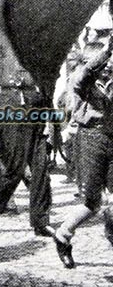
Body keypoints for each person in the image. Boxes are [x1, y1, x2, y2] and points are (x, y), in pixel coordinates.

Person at [53, 35, 113, 269]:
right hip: (90, 138)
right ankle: (63, 235)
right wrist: (107, 50)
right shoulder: (79, 80)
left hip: (111, 137)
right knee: (91, 203)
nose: (106, 65)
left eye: (109, 61)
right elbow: (86, 72)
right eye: (101, 61)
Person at [0, 68, 53, 236]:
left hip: (37, 113)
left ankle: (40, 221)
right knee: (15, 170)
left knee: (41, 170)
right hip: (13, 112)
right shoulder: (9, 58)